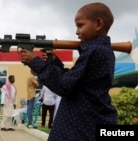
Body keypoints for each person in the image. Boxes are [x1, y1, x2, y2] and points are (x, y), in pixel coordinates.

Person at [20, 2, 117, 141]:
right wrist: (55, 62)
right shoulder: (101, 51)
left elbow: (64, 86)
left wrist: (35, 62)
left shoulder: (94, 51)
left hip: (80, 126)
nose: (77, 32)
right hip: (84, 122)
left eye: (80, 25)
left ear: (98, 24)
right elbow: (74, 81)